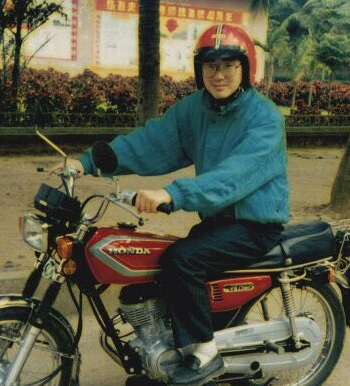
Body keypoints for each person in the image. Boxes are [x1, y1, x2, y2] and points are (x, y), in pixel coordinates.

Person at [55, 24, 289, 386]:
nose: (219, 74)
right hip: (219, 220)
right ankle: (169, 349)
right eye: (210, 66)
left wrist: (172, 194)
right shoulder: (195, 109)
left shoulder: (266, 118)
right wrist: (86, 162)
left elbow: (234, 175)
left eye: (229, 64)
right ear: (199, 71)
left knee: (184, 260)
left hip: (255, 225)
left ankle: (205, 353)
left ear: (246, 68)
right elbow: (151, 142)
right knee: (159, 264)